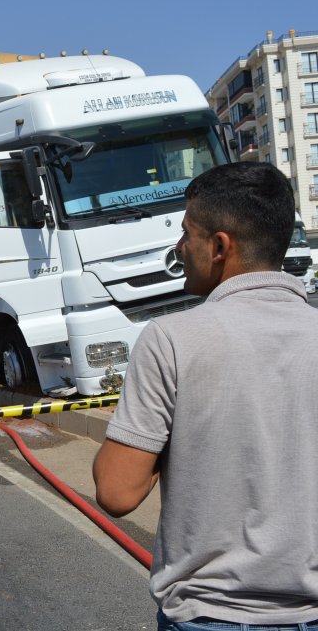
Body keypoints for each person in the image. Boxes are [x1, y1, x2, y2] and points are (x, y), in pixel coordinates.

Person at [92, 162, 318, 630]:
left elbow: (116, 491)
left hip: (210, 615)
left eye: (185, 233)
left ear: (219, 247)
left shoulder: (172, 339)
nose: (179, 249)